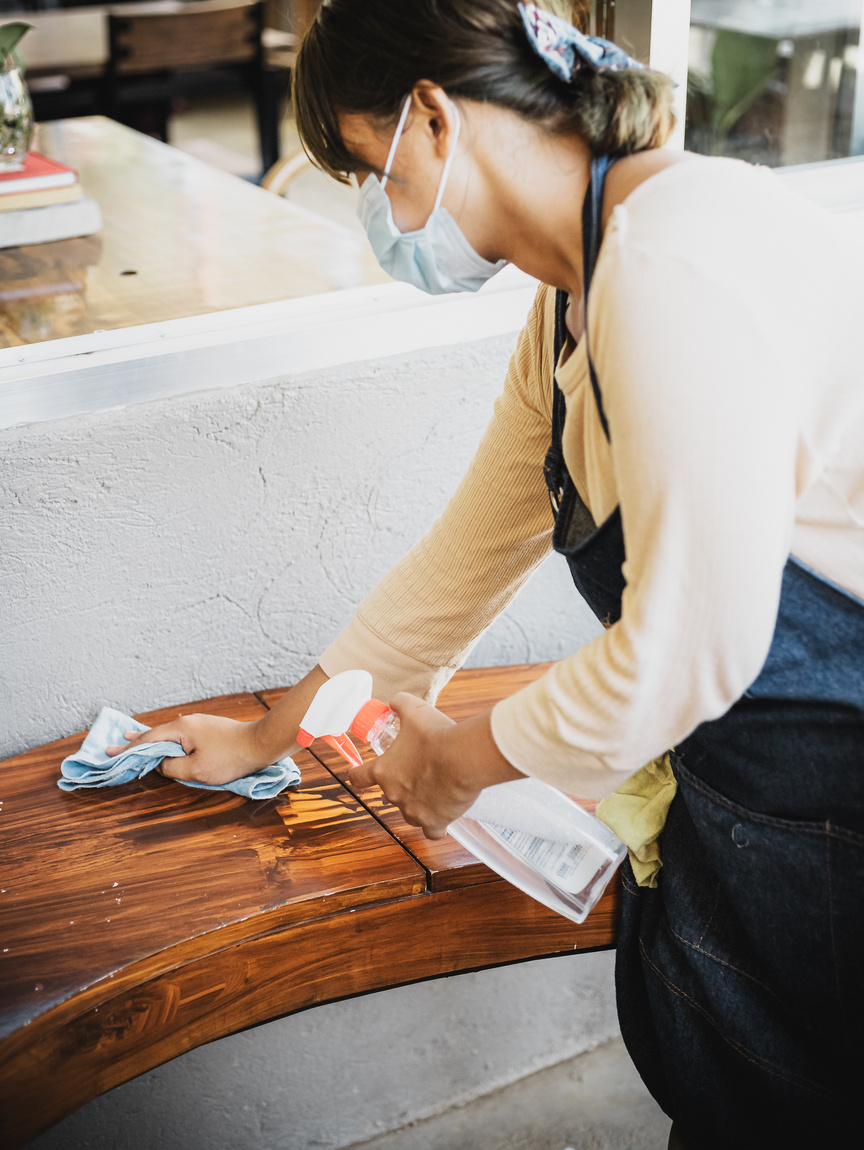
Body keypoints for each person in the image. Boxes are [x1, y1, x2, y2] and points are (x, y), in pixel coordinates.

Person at [108, 2, 864, 1146]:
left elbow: (686, 649)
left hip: (832, 792)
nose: (381, 217)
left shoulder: (674, 260)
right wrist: (272, 737)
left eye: (369, 175)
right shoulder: (575, 294)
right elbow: (460, 564)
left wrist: (461, 757)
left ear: (431, 117)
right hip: (753, 775)